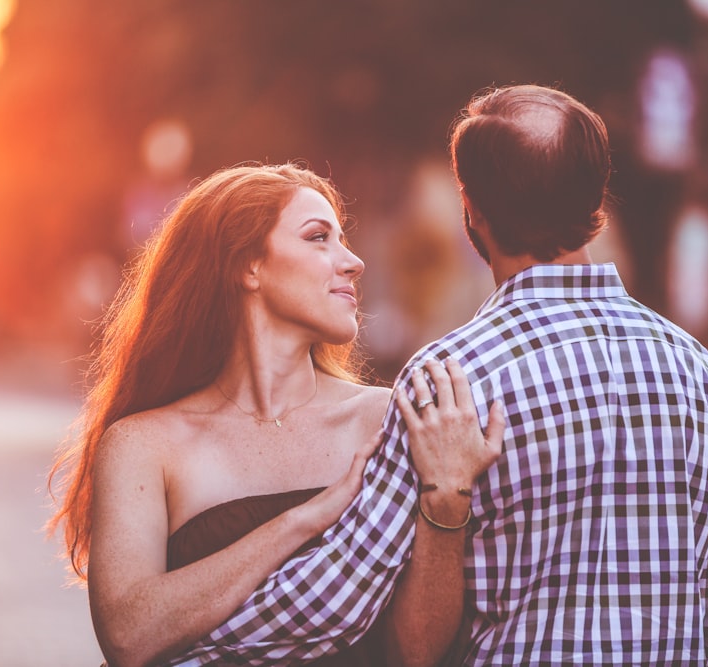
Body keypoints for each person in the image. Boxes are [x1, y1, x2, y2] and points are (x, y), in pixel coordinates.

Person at [172, 85, 708, 666]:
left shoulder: (451, 382)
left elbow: (343, 599)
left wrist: (182, 653)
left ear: (471, 208)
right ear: (595, 199)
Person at [45, 162, 505, 667]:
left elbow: (416, 655)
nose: (353, 262)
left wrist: (447, 503)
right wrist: (301, 522)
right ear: (248, 266)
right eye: (317, 238)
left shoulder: (387, 419)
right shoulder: (143, 444)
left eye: (343, 239)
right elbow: (129, 637)